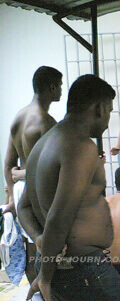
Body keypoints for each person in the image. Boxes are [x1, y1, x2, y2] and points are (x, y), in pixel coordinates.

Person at [20, 75, 120, 301]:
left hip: (60, 267)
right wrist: (45, 275)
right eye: (109, 112)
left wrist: (42, 245)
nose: (108, 119)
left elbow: (24, 208)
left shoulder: (42, 145)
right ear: (98, 108)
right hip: (84, 268)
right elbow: (59, 216)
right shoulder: (80, 146)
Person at [3, 66, 62, 283]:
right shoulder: (46, 122)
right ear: (52, 86)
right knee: (47, 246)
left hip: (21, 192)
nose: (61, 90)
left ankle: (38, 298)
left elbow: (9, 163)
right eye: (60, 85)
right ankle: (50, 296)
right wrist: (26, 175)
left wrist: (11, 196)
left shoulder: (19, 117)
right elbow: (52, 167)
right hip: (39, 192)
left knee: (31, 244)